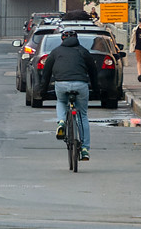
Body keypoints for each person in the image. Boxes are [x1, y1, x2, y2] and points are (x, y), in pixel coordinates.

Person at [41, 29, 102, 161]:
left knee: (61, 102)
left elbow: (46, 73)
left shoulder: (56, 52)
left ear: (62, 39)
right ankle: (85, 149)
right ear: (77, 39)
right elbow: (93, 72)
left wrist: (42, 91)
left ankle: (61, 122)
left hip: (61, 84)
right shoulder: (83, 51)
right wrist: (96, 90)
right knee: (83, 115)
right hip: (81, 84)